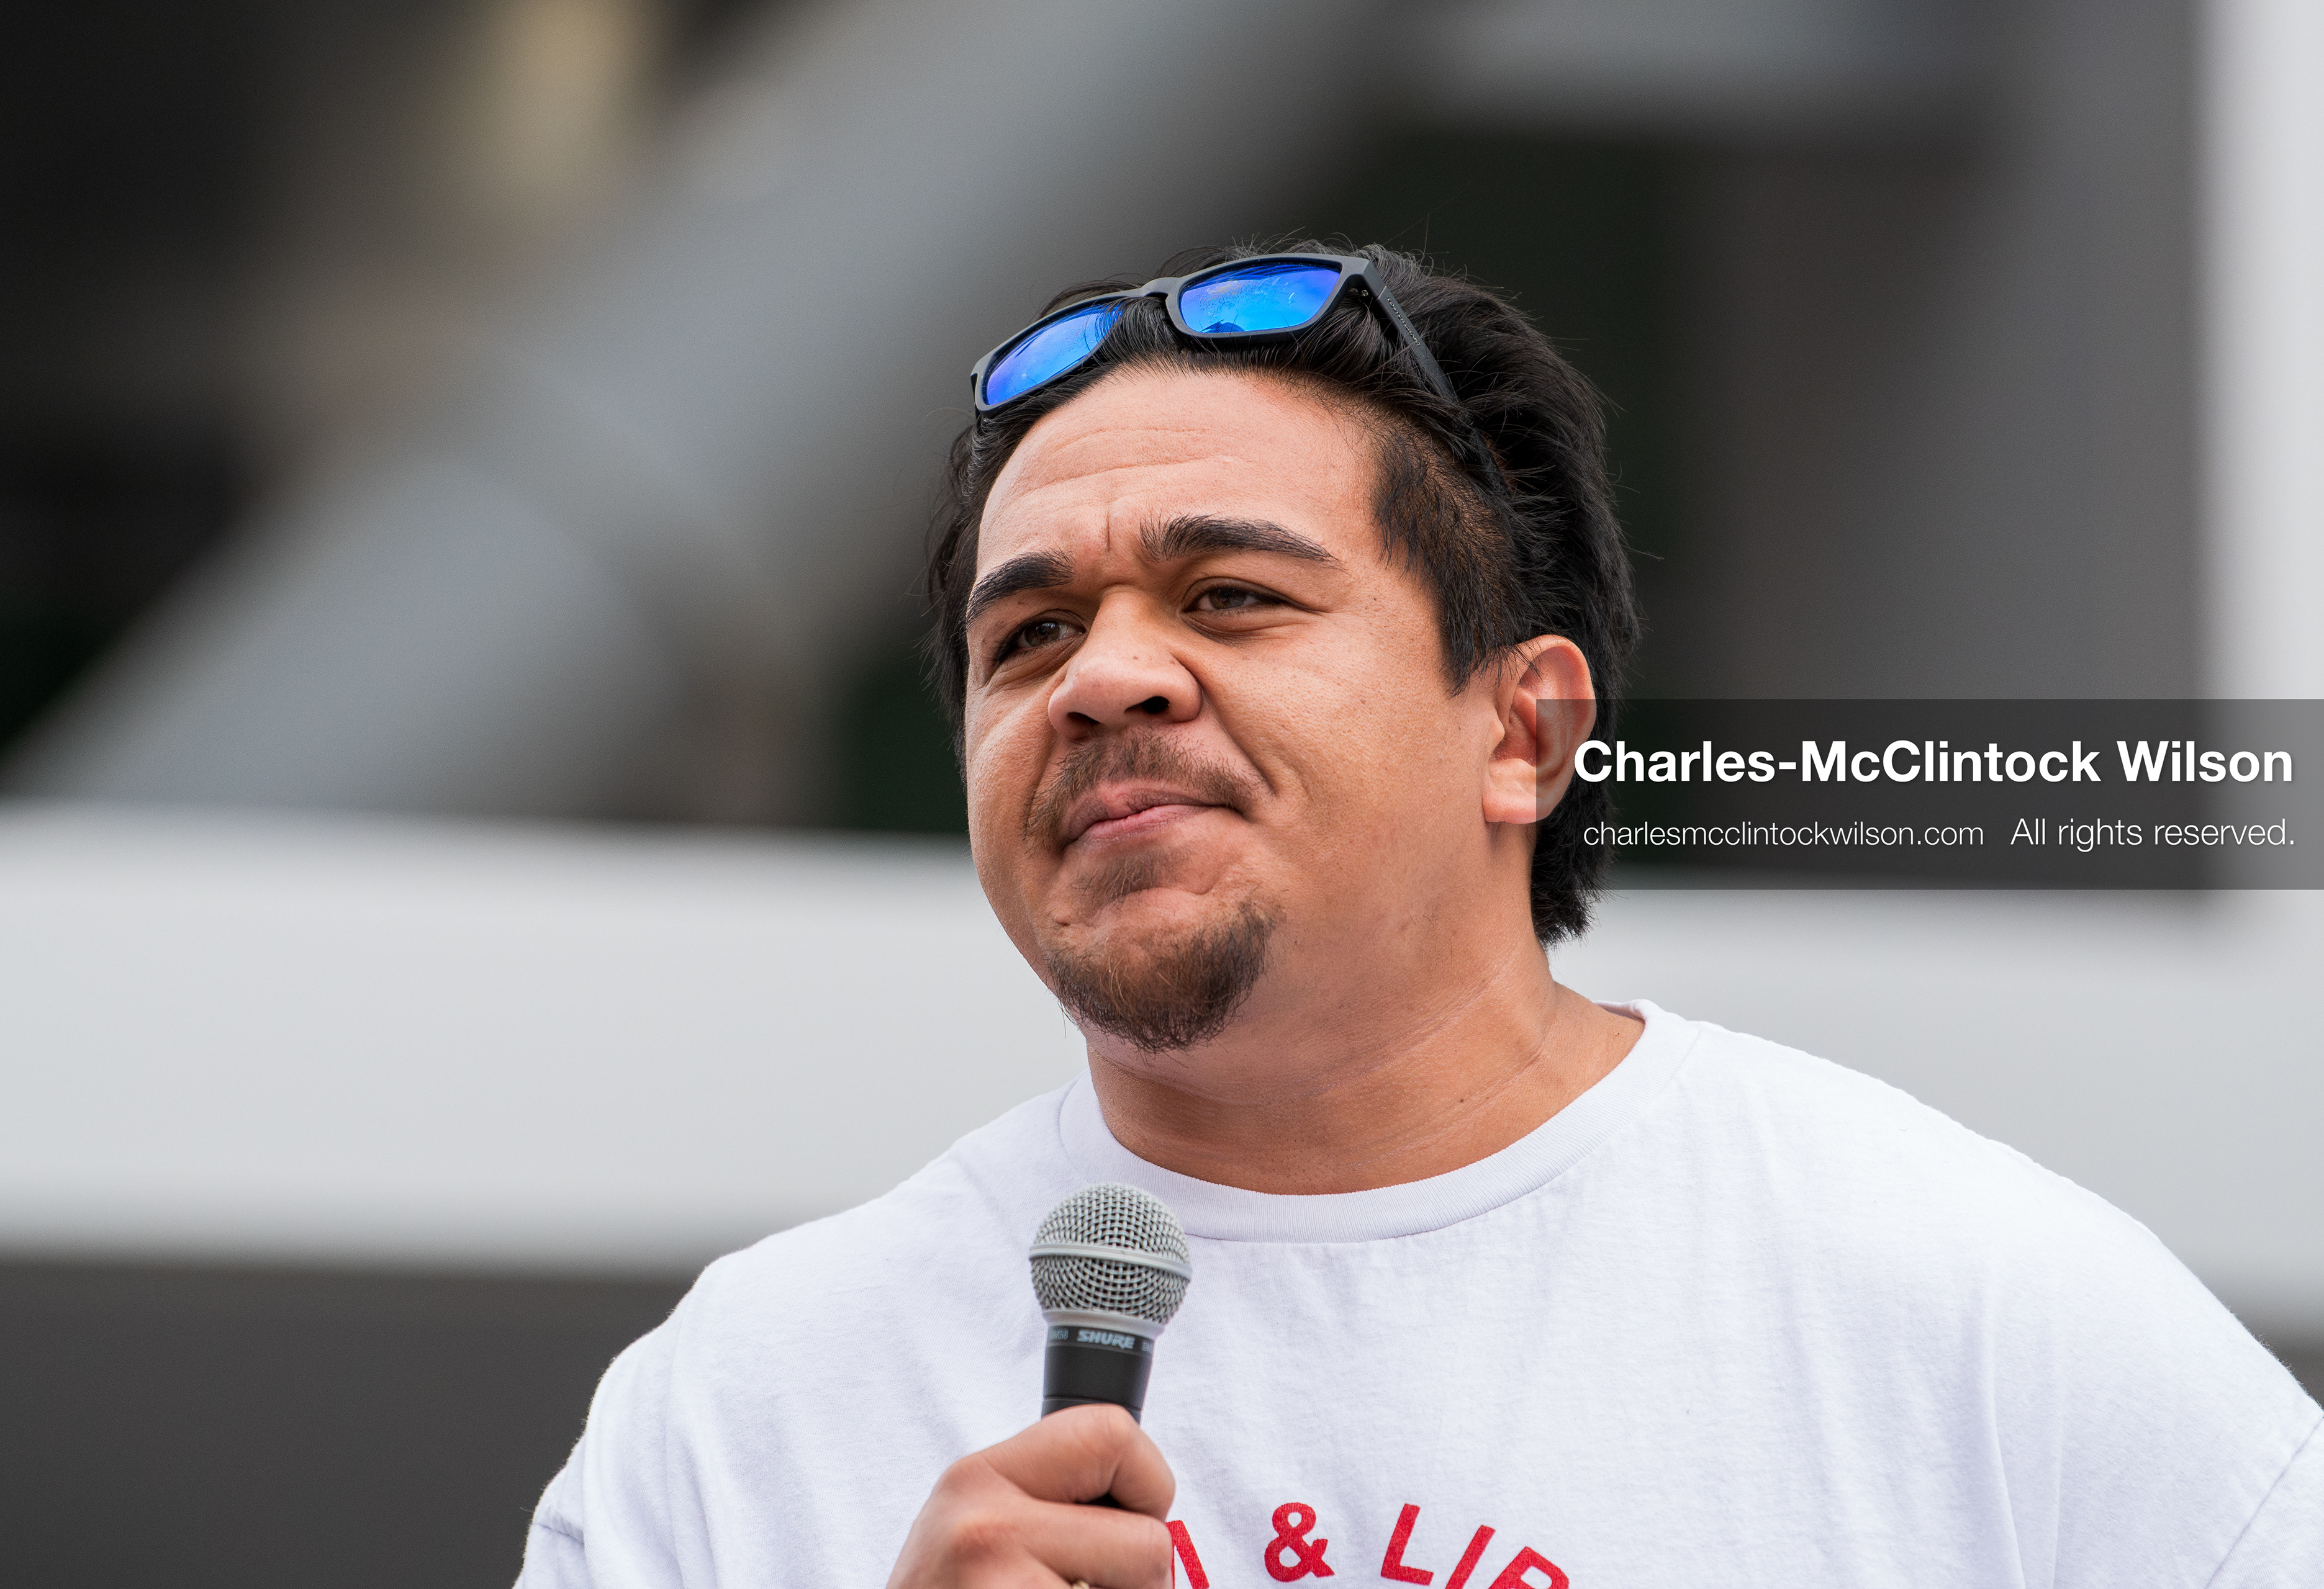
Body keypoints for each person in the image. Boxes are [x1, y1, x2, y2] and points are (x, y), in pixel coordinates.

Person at [516, 244, 2320, 1588]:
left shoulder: (1980, 1319)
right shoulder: (740, 1407)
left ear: (1522, 730)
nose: (1105, 680)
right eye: (1030, 635)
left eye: (1228, 597)